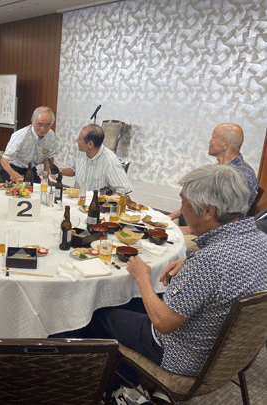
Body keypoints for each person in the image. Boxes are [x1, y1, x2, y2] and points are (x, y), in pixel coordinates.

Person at [55, 164, 267, 405]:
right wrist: (188, 261)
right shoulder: (260, 240)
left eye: (185, 203)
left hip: (184, 356)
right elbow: (230, 272)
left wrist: (142, 277)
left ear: (208, 211)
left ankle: (127, 393)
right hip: (228, 354)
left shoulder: (209, 262)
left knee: (95, 313)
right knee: (135, 303)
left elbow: (164, 323)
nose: (182, 210)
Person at [169, 123, 259, 254]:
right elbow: (196, 201)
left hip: (203, 233)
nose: (210, 142)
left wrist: (189, 229)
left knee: (166, 243)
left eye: (213, 137)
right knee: (151, 227)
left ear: (225, 144)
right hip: (192, 222)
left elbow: (231, 221)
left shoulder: (241, 176)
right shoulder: (220, 169)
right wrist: (171, 216)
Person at [59, 124, 132, 192]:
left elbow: (124, 188)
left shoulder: (110, 161)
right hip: (77, 197)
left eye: (80, 139)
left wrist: (107, 197)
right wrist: (60, 171)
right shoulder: (80, 151)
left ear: (90, 144)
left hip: (96, 200)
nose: (76, 140)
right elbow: (74, 169)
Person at [0, 106, 58, 183]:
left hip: (31, 169)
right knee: (20, 189)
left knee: (39, 188)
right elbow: (4, 159)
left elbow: (48, 159)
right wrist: (12, 173)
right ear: (32, 121)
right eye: (39, 124)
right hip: (14, 169)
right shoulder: (21, 136)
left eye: (47, 125)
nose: (43, 129)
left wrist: (45, 178)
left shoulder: (51, 135)